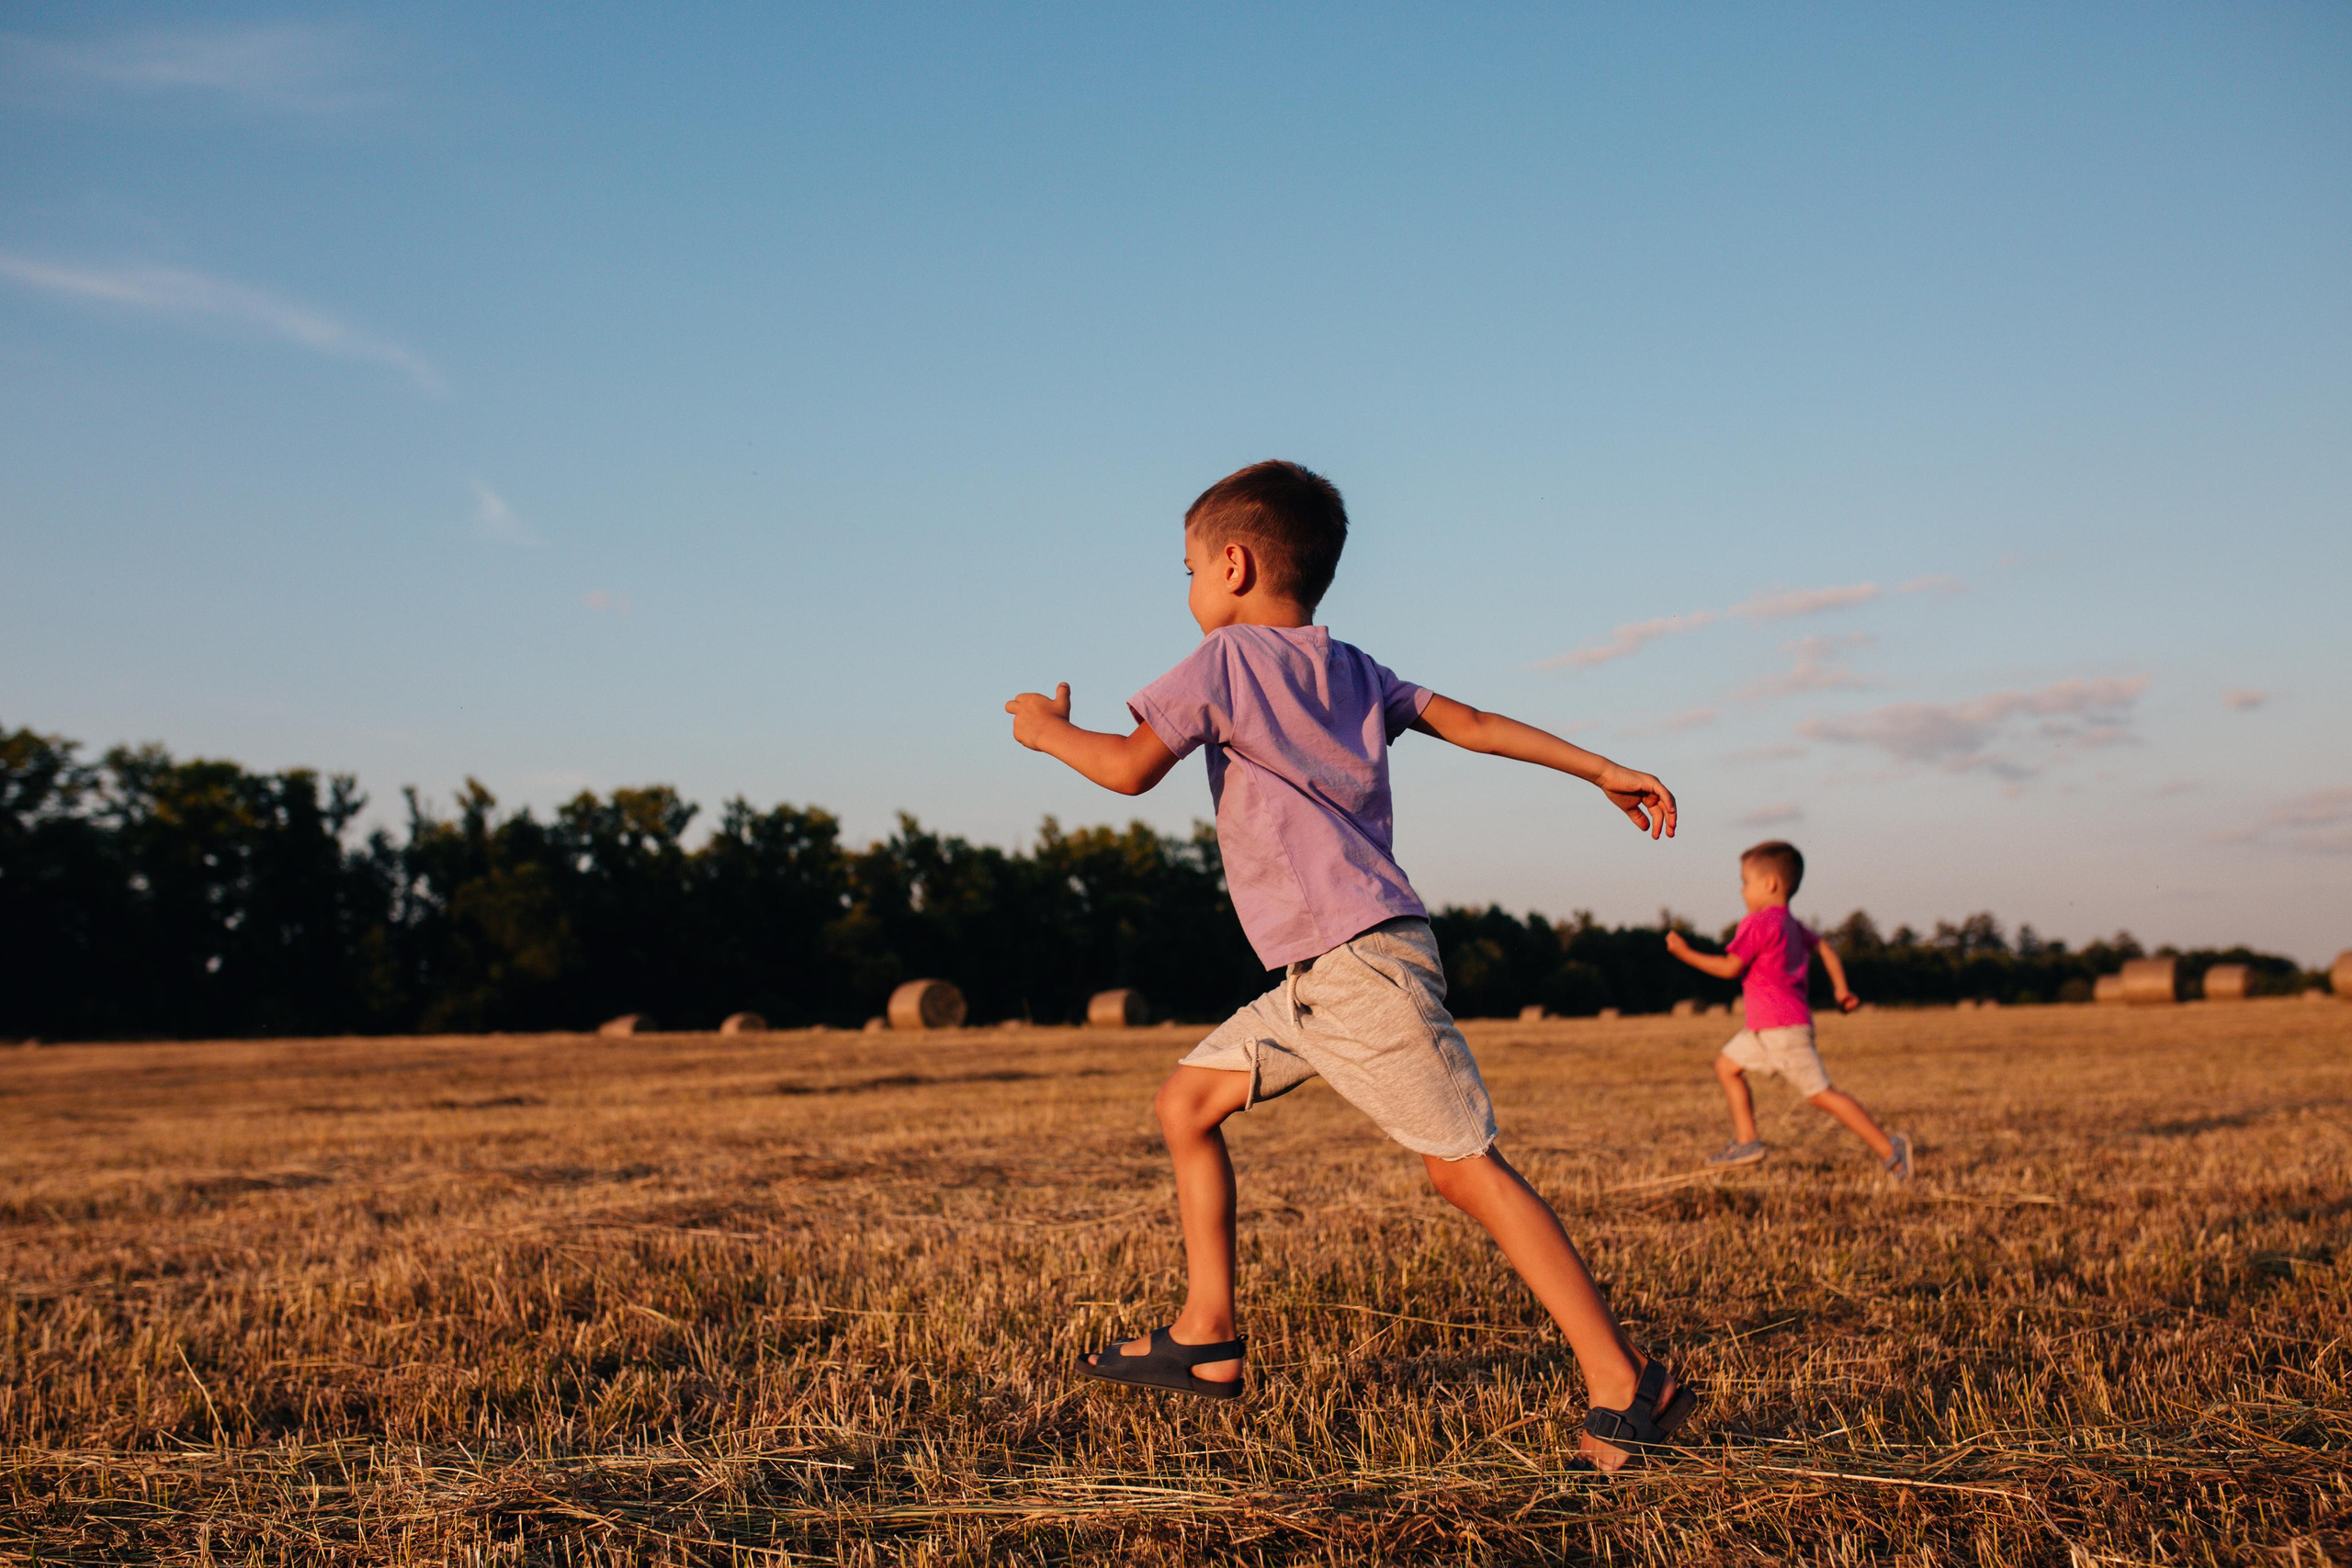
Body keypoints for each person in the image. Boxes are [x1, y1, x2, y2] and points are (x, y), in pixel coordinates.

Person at [1003, 459, 1696, 1472]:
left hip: (1354, 966)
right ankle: (1206, 1336)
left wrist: (1043, 729)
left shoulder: (1224, 661)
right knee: (1184, 1105)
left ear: (1232, 564)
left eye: (1188, 569)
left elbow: (1124, 769)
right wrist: (1596, 766)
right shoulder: (1356, 668)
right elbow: (1471, 723)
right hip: (1322, 974)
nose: (1189, 589)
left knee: (1464, 1173)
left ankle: (1624, 1380)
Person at [1663, 840, 1913, 1179]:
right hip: (1767, 1028)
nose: (1742, 890)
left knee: (1822, 1095)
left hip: (1781, 1029)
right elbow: (1825, 948)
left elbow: (1730, 967)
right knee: (1726, 1066)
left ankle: (1889, 1149)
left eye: (1745, 882)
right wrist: (1841, 989)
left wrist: (1684, 953)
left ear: (1769, 884)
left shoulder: (1759, 922)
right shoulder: (1791, 924)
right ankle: (1748, 1140)